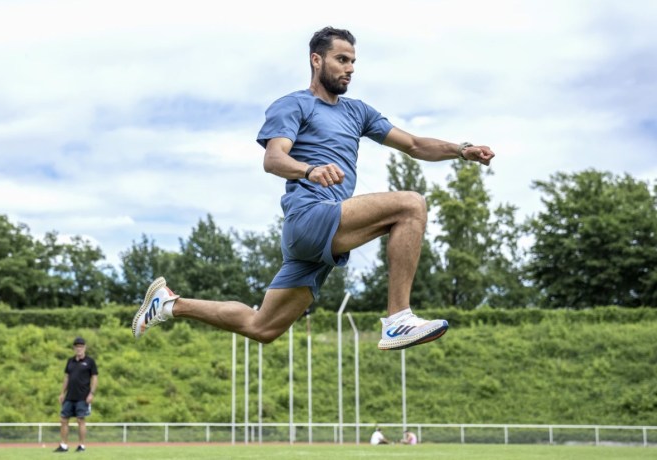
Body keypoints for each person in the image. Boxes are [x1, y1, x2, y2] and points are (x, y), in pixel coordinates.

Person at [132, 26, 494, 350]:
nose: (350, 68)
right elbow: (273, 159)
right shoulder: (294, 104)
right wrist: (309, 170)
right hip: (309, 215)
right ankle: (398, 319)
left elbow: (414, 144)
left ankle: (169, 304)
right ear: (316, 60)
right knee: (411, 205)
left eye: (353, 61)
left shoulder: (358, 112)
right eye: (341, 59)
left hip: (317, 236)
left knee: (263, 327)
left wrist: (461, 150)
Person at [54, 337, 98, 453]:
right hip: (70, 396)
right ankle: (63, 445)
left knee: (80, 420)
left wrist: (91, 393)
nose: (79, 348)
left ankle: (81, 445)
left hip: (83, 396)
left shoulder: (90, 361)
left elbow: (94, 378)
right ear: (74, 348)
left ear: (85, 347)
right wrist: (62, 393)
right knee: (63, 419)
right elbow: (67, 377)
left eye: (81, 346)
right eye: (77, 346)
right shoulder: (70, 361)